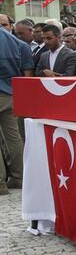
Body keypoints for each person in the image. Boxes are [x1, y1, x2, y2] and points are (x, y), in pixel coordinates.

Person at [0, 23, 33, 194]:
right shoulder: (16, 41)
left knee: (11, 137)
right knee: (14, 137)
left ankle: (0, 184)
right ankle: (19, 177)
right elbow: (26, 71)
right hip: (11, 91)